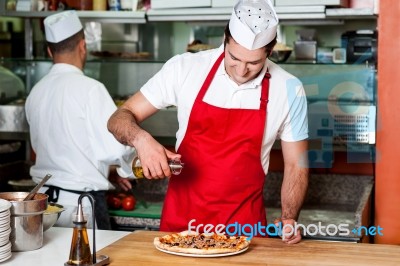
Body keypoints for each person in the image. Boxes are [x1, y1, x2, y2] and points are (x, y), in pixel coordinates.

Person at [108, 0, 309, 243]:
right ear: (225, 39)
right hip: (181, 225)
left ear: (270, 50)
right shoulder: (185, 68)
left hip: (244, 231)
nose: (242, 70)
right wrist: (141, 139)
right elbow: (120, 117)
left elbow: (296, 165)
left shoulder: (290, 89)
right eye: (234, 57)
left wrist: (289, 217)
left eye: (254, 63)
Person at [25, 10, 135, 230]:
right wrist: (126, 170)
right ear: (83, 46)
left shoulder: (35, 92)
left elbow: (47, 149)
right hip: (81, 206)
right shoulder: (92, 89)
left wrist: (108, 170)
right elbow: (117, 148)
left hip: (42, 205)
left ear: (49, 51)